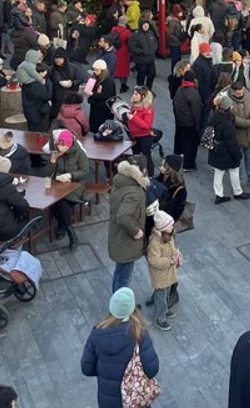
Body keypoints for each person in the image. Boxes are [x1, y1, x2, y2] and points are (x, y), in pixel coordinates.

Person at [80, 287, 160, 408]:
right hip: (135, 399)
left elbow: (86, 368)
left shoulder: (97, 335)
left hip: (108, 401)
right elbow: (152, 369)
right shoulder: (139, 333)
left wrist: (106, 373)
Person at [108, 158, 150, 292]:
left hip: (117, 237)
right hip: (126, 242)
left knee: (119, 272)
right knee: (124, 277)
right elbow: (123, 217)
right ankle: (121, 308)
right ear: (142, 171)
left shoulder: (121, 182)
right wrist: (137, 232)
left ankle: (116, 302)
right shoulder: (134, 192)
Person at [48, 129, 88, 248]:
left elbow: (85, 171)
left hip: (76, 186)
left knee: (60, 202)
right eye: (59, 144)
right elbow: (47, 173)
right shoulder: (56, 153)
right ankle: (65, 225)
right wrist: (52, 161)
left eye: (63, 145)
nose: (60, 147)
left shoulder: (80, 153)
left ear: (69, 144)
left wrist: (71, 175)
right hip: (59, 185)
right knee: (55, 205)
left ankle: (70, 233)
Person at [208, 95, 250, 204]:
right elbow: (231, 143)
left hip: (216, 150)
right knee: (234, 171)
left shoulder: (213, 116)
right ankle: (238, 192)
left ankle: (219, 195)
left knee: (218, 173)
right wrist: (238, 155)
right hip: (227, 153)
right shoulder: (227, 123)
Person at [146, 210, 183, 331]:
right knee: (161, 296)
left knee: (166, 293)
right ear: (163, 228)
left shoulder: (170, 235)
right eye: (170, 225)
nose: (172, 227)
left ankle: (164, 310)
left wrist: (178, 255)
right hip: (160, 275)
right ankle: (159, 317)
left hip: (168, 272)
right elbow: (153, 261)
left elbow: (173, 248)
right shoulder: (154, 243)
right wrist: (169, 261)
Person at [173, 70, 202, 172]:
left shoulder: (180, 89)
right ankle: (188, 165)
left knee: (185, 141)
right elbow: (196, 111)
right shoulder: (192, 93)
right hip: (190, 123)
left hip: (181, 120)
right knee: (191, 144)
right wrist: (198, 125)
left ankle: (182, 159)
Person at [126, 86, 158, 162]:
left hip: (144, 137)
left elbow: (147, 126)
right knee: (135, 157)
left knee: (147, 158)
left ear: (142, 96)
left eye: (136, 94)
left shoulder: (148, 109)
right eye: (133, 94)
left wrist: (133, 118)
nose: (133, 96)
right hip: (134, 136)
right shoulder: (135, 105)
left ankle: (150, 174)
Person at [21, 61, 52, 132]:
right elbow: (47, 96)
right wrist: (48, 83)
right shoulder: (36, 84)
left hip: (29, 111)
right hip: (39, 113)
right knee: (40, 133)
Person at [87, 59, 116, 132]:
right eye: (94, 70)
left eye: (97, 70)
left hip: (104, 109)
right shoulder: (96, 77)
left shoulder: (108, 81)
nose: (95, 72)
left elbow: (105, 95)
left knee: (101, 128)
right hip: (96, 106)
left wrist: (92, 94)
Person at [130, 18, 159, 91]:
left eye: (147, 24)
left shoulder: (151, 33)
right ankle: (140, 90)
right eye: (144, 25)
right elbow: (132, 47)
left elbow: (155, 42)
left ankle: (149, 89)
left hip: (151, 59)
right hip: (141, 60)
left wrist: (154, 49)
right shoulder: (135, 35)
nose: (146, 26)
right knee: (141, 76)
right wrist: (142, 51)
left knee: (152, 74)